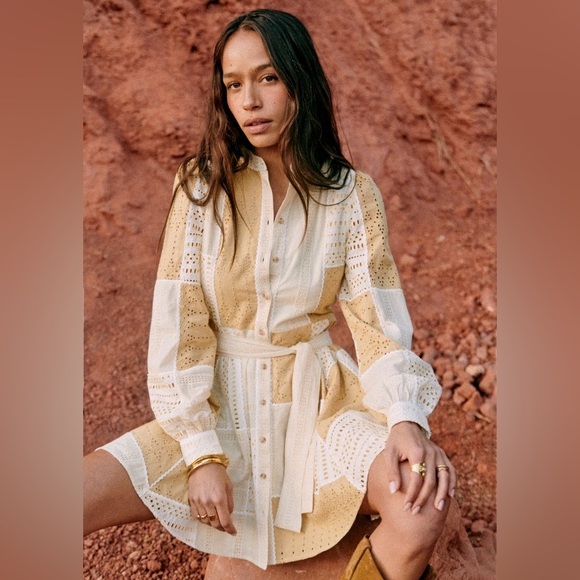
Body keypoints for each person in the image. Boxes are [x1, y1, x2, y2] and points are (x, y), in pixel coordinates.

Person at [84, 9, 457, 580]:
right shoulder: (201, 188)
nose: (250, 101)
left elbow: (376, 324)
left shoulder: (351, 196)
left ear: (299, 82)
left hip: (318, 409)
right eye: (234, 85)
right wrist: (203, 454)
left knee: (422, 504)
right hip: (218, 410)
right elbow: (181, 327)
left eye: (268, 78)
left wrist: (404, 418)